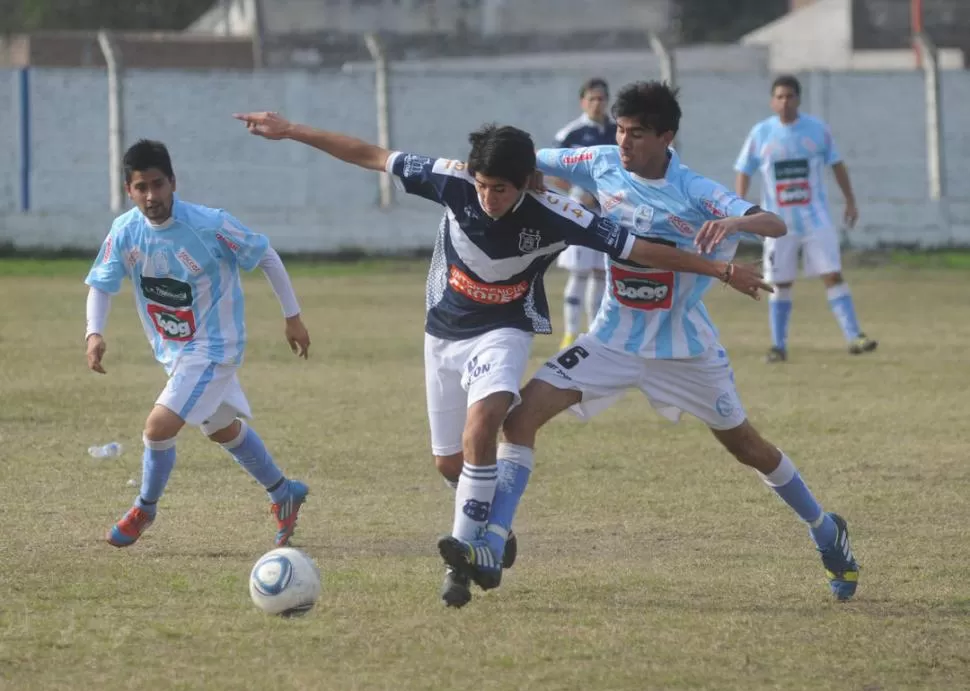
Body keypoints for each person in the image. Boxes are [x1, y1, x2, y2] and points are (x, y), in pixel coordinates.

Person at [233, 111, 770, 607]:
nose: (489, 197)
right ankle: (494, 527)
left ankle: (463, 565)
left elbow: (638, 249)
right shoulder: (450, 179)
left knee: (484, 425)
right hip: (442, 331)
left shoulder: (557, 213)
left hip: (506, 330)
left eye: (502, 189)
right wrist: (293, 130)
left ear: (527, 182)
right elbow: (370, 154)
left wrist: (719, 269)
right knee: (451, 462)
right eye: (484, 186)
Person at [437, 81, 860, 604]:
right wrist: (532, 184)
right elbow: (526, 158)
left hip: (684, 350)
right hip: (610, 340)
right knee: (519, 419)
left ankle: (824, 528)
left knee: (747, 447)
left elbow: (772, 222)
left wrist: (733, 219)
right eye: (620, 129)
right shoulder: (599, 161)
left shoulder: (694, 189)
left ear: (667, 136)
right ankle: (493, 543)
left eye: (636, 132)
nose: (624, 140)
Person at [84, 139, 312, 549]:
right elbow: (101, 283)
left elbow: (266, 255)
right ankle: (284, 492)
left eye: (158, 184)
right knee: (221, 428)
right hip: (175, 353)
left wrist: (292, 316)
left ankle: (145, 508)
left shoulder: (209, 224)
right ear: (128, 190)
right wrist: (93, 332)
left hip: (214, 347)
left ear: (173, 182)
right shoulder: (125, 231)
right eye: (141, 187)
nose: (151, 196)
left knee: (157, 428)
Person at [734, 74, 878, 363]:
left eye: (790, 96)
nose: (785, 102)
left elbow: (836, 164)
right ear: (772, 101)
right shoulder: (761, 133)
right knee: (779, 282)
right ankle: (778, 346)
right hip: (777, 223)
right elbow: (743, 170)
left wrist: (850, 200)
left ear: (798, 99)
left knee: (832, 274)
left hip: (815, 219)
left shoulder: (817, 130)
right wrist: (741, 210)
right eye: (780, 97)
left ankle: (854, 337)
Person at [550, 78, 618, 349]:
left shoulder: (616, 132)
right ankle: (569, 333)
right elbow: (553, 171)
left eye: (602, 99)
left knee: (601, 273)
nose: (597, 103)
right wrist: (579, 192)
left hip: (609, 211)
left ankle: (594, 333)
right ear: (583, 102)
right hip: (578, 211)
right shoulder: (571, 134)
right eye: (592, 99)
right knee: (578, 273)